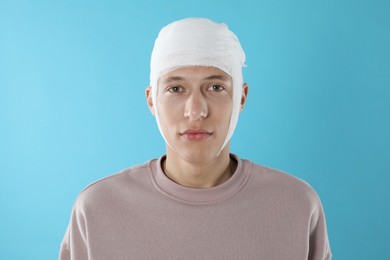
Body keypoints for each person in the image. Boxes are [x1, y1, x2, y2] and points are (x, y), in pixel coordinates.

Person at [59, 18, 332, 260]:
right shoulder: (97, 209)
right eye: (175, 88)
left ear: (241, 98)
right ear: (152, 100)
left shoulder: (296, 204)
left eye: (216, 87)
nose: (196, 111)